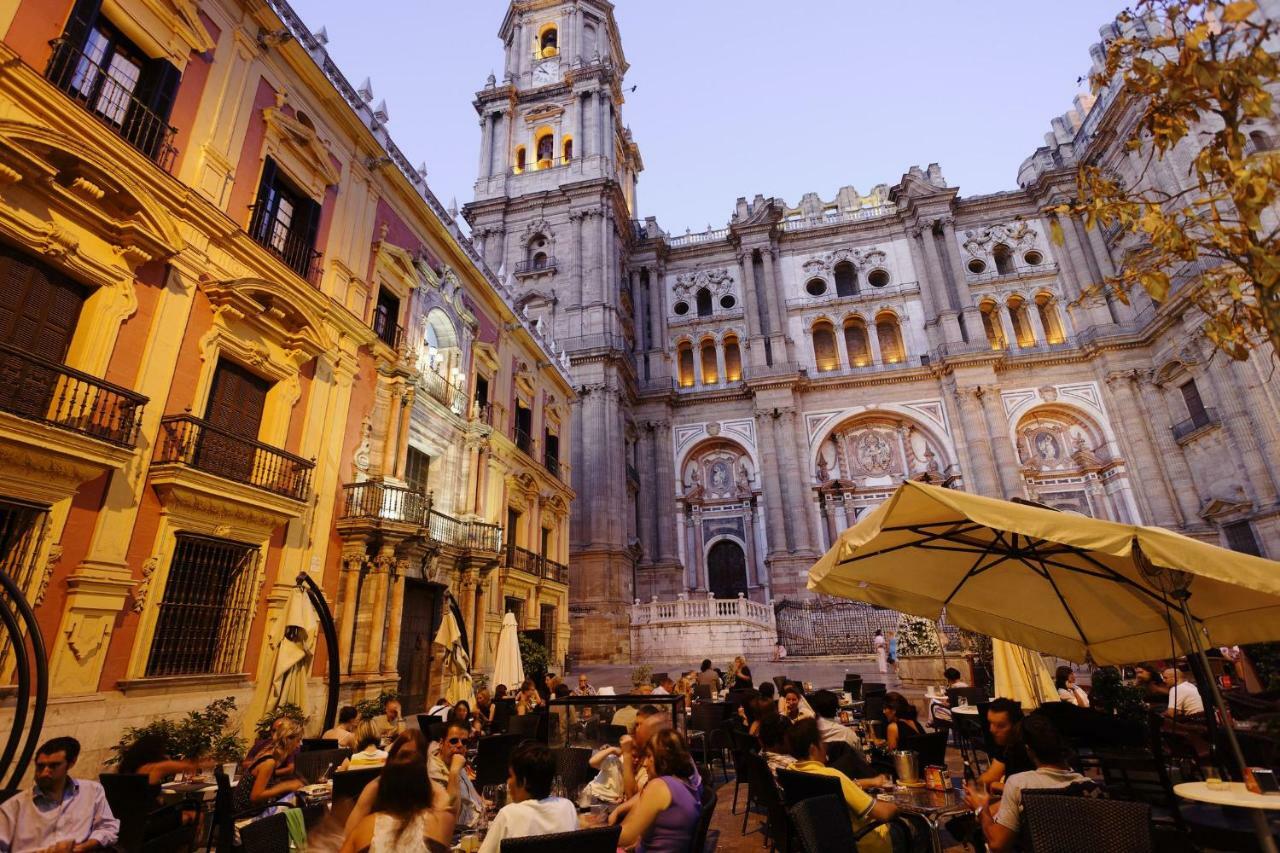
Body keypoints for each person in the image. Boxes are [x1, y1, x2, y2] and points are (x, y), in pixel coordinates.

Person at [965, 715, 1092, 853]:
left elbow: (998, 844)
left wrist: (980, 809)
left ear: (1029, 750)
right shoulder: (1088, 786)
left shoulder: (1020, 784)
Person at [785, 719, 897, 852]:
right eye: (822, 741)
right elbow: (883, 813)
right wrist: (897, 806)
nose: (826, 745)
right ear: (813, 748)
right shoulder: (832, 775)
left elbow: (843, 787)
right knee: (915, 828)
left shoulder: (791, 771)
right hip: (864, 843)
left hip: (825, 844)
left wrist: (871, 782)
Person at [0, 736, 119, 853]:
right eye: (40, 766)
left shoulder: (92, 791)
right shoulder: (13, 807)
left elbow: (107, 827)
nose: (45, 773)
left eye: (53, 766)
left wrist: (84, 847)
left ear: (71, 763)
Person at [478, 742, 577, 853]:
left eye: (511, 776)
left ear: (524, 781)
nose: (508, 782)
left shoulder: (508, 814)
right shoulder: (567, 807)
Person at [344, 730, 447, 837]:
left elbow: (444, 829)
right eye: (403, 755)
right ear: (393, 757)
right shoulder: (375, 787)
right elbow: (349, 833)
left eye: (415, 758)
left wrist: (454, 772)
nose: (408, 762)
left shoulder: (433, 789)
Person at [340, 758, 455, 853]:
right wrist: (454, 772)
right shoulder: (440, 821)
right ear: (426, 788)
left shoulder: (365, 826)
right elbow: (446, 800)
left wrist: (373, 786)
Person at [614, 729, 702, 853]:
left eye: (649, 756)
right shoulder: (687, 784)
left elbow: (625, 837)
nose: (645, 763)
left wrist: (590, 827)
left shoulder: (660, 786)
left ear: (664, 759)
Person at [237, 718, 304, 811]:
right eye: (298, 740)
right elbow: (255, 796)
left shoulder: (270, 752)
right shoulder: (269, 762)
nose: (298, 745)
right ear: (288, 740)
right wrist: (284, 786)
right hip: (246, 812)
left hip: (250, 807)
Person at [428, 721, 485, 828]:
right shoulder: (433, 772)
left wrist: (485, 804)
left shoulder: (453, 759)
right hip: (461, 833)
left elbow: (475, 797)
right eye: (454, 741)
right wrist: (454, 772)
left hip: (478, 820)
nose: (460, 745)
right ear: (441, 743)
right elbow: (448, 815)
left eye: (464, 742)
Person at [117, 732, 215, 787]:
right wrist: (206, 763)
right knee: (197, 815)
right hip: (154, 817)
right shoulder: (156, 768)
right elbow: (187, 766)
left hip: (131, 818)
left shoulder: (127, 768)